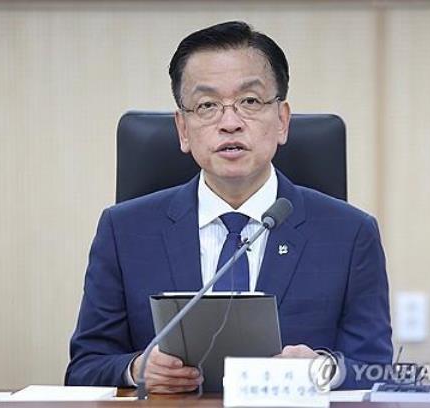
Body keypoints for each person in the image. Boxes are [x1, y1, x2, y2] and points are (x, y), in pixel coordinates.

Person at [65, 21, 392, 393]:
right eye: (207, 105)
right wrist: (138, 368)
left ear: (283, 121)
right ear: (183, 130)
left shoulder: (349, 234)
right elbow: (84, 367)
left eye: (250, 102)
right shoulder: (124, 231)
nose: (230, 123)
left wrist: (325, 369)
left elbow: (376, 370)